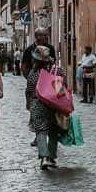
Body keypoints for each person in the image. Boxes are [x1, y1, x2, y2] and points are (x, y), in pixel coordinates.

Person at [24, 32, 67, 171]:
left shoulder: (33, 73)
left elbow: (29, 90)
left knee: (41, 131)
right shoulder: (57, 71)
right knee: (54, 131)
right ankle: (52, 157)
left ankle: (44, 157)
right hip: (53, 104)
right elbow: (61, 90)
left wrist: (28, 103)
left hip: (37, 104)